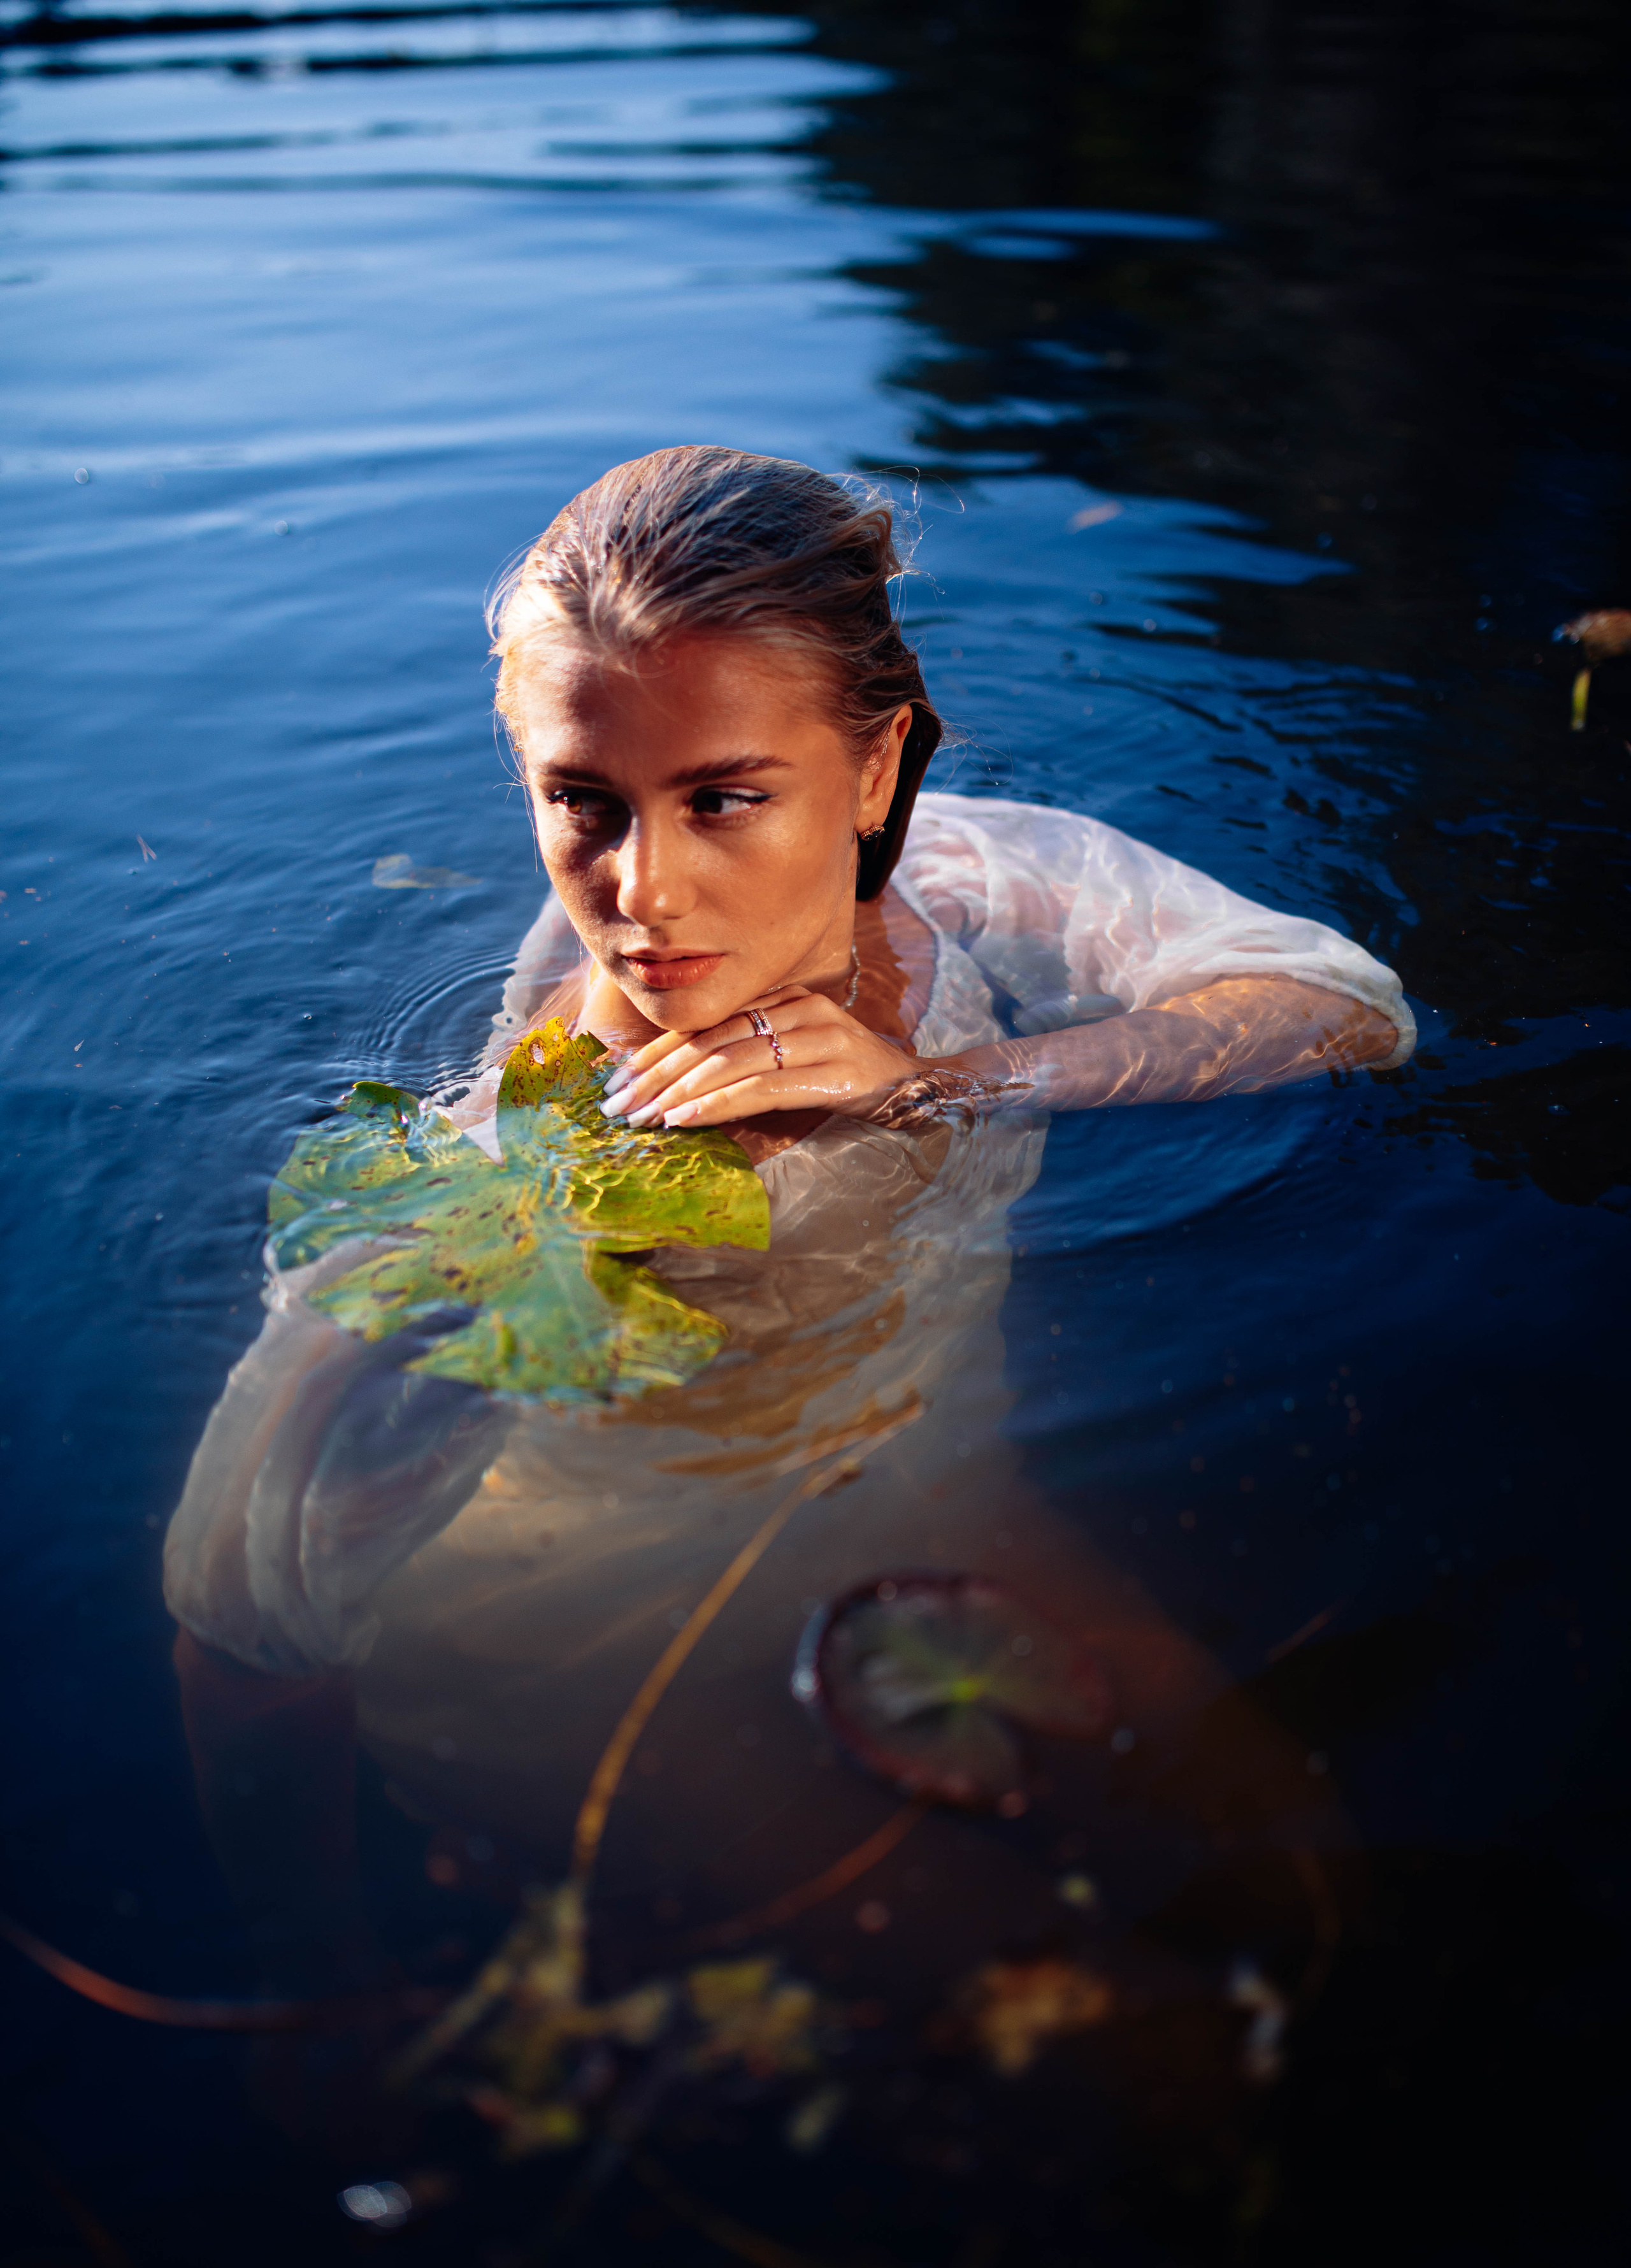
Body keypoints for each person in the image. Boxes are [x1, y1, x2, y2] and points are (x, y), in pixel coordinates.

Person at [164, 448, 1407, 2067]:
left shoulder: (956, 879)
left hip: (929, 1478)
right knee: (1106, 2050)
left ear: (874, 769)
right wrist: (309, 1991)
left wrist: (946, 1087)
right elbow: (236, 1614)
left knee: (1302, 1861)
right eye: (581, 803)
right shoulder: (505, 1175)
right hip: (588, 1625)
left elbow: (1340, 1007)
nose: (645, 894)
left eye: (726, 798)